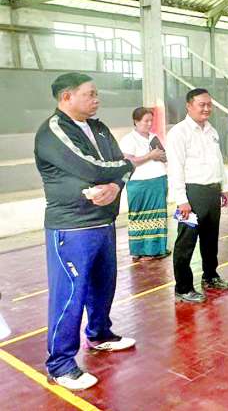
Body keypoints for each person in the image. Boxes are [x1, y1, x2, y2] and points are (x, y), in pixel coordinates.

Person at [34, 72, 135, 390]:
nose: (96, 99)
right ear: (67, 97)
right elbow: (91, 167)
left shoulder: (99, 128)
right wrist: (126, 167)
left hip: (104, 221)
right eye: (89, 94)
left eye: (96, 94)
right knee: (70, 295)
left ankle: (100, 334)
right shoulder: (53, 131)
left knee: (103, 285)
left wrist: (117, 184)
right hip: (72, 226)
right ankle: (60, 364)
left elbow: (118, 165)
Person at [167, 88, 228, 304]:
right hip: (191, 194)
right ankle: (183, 287)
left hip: (212, 192)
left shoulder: (212, 131)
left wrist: (223, 187)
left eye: (209, 105)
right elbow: (175, 168)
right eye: (201, 104)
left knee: (210, 239)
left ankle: (210, 276)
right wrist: (181, 200)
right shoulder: (179, 133)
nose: (206, 108)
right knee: (186, 242)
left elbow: (218, 160)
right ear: (189, 106)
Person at [118, 107, 169, 261]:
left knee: (158, 216)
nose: (149, 124)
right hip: (139, 183)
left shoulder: (154, 137)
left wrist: (160, 156)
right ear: (136, 121)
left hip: (158, 180)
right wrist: (150, 155)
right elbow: (129, 162)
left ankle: (156, 249)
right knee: (139, 217)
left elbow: (164, 156)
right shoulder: (128, 139)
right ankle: (139, 250)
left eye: (151, 121)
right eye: (146, 121)